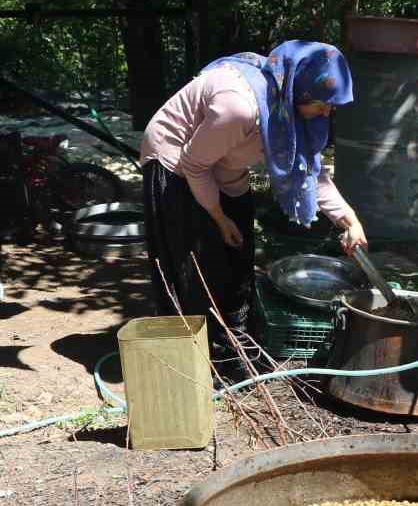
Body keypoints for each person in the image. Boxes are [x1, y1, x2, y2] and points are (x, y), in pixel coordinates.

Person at [139, 41, 369, 360]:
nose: (327, 112)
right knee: (195, 261)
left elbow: (309, 171)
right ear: (300, 91)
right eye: (322, 104)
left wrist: (349, 219)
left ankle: (233, 343)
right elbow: (194, 164)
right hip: (176, 160)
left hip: (224, 163)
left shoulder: (287, 105)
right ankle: (188, 357)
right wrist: (219, 218)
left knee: (238, 251)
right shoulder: (239, 106)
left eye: (333, 106)